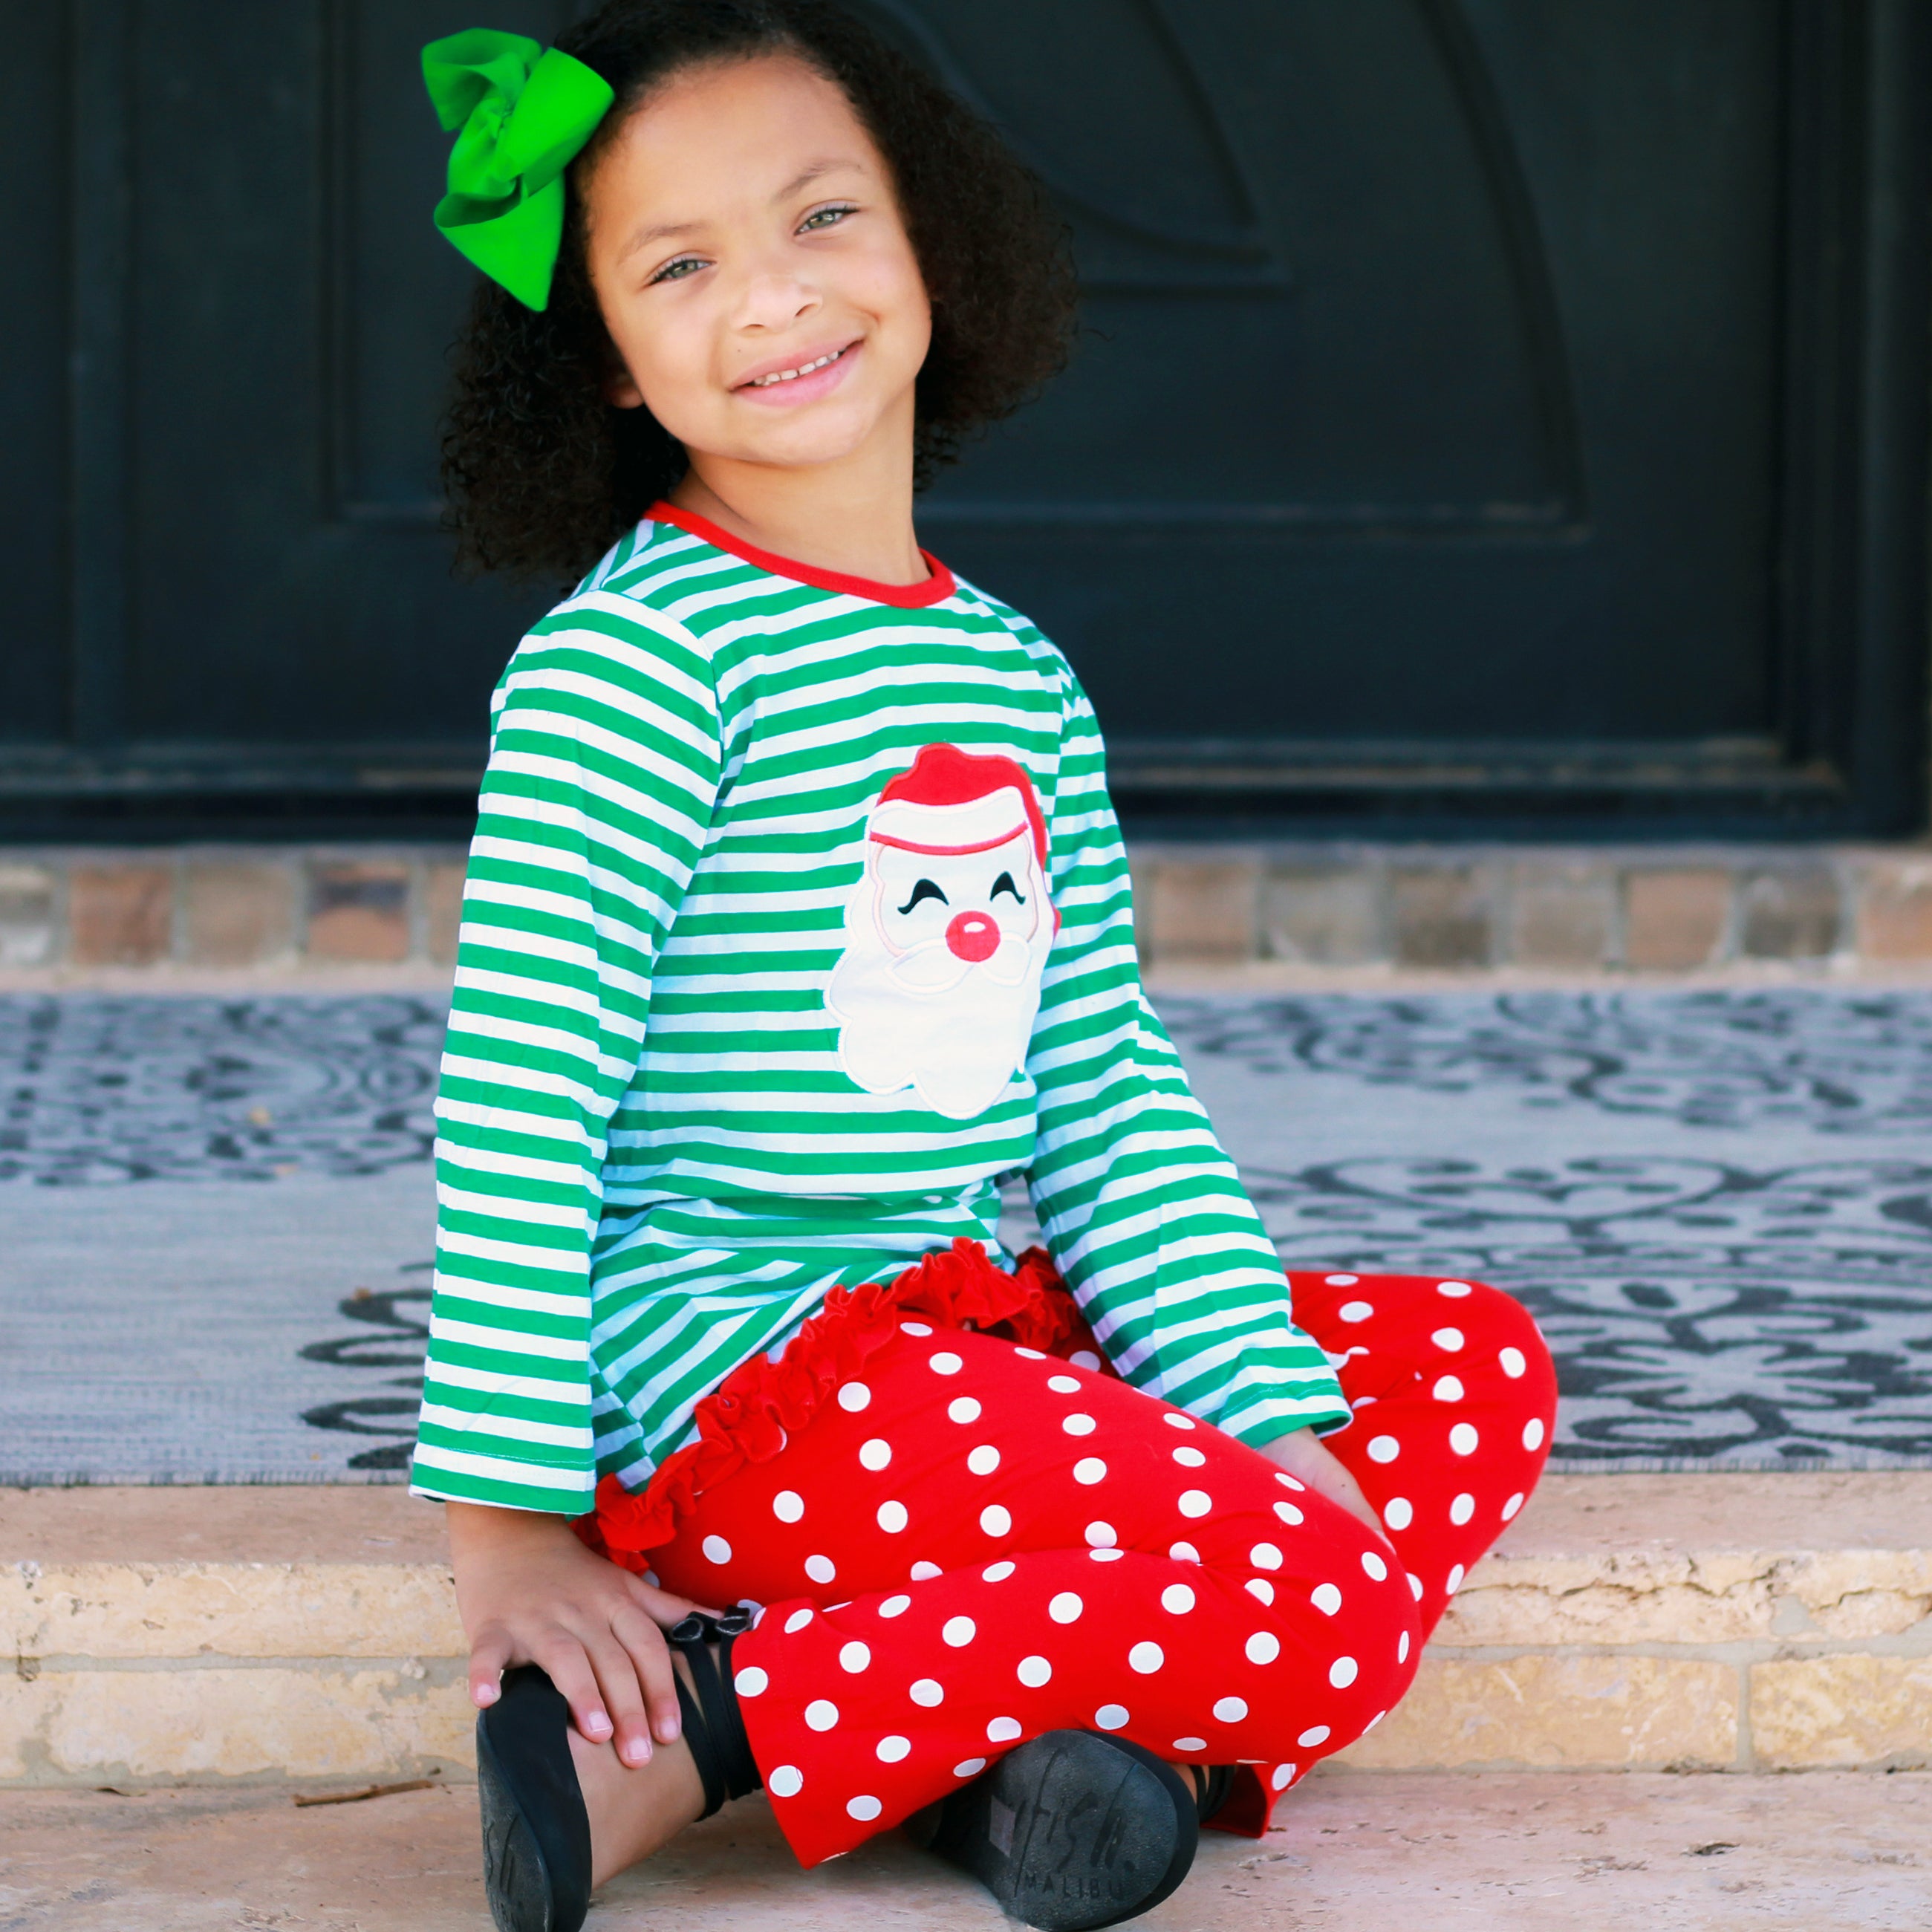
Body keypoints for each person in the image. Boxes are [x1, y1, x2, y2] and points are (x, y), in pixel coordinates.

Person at [410, 7, 1558, 1930]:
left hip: (945, 1326)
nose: (771, 297)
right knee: (1327, 1592)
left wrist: (1268, 1424)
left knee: (1465, 1369)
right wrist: (507, 1534)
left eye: (821, 217)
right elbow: (522, 1100)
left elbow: (1099, 1094)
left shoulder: (1014, 672)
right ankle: (695, 1730)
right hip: (737, 1377)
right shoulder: (640, 664)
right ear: (604, 358)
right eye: (678, 265)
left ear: (930, 237)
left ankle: (1019, 1752)